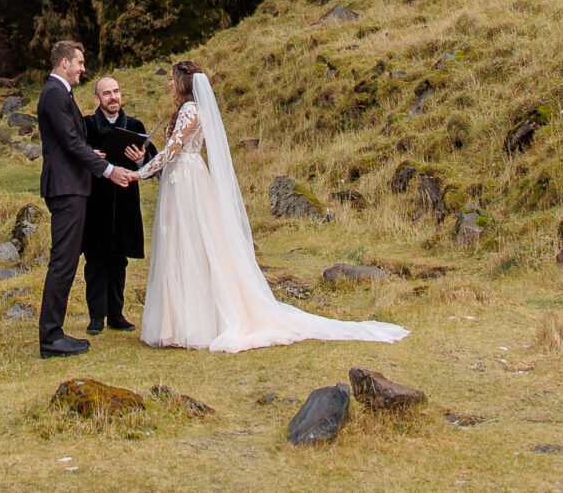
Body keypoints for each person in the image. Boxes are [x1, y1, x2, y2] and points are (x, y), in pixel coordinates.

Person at [133, 60, 407, 353]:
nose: (169, 84)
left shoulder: (190, 110)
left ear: (183, 83)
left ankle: (191, 323)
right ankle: (182, 321)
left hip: (186, 179)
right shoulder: (189, 110)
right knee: (184, 243)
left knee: (188, 243)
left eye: (172, 79)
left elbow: (174, 149)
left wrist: (140, 172)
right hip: (183, 178)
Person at [34, 39, 135, 358]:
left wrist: (89, 153)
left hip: (71, 185)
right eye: (79, 62)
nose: (83, 68)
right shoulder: (53, 93)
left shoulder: (60, 94)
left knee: (65, 261)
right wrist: (107, 170)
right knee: (62, 262)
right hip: (66, 187)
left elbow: (71, 142)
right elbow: (71, 143)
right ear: (64, 63)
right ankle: (50, 337)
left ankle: (55, 332)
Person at [82, 76, 150, 334]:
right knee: (96, 260)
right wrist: (91, 158)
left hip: (124, 201)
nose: (113, 97)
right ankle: (96, 317)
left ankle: (116, 315)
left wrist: (142, 159)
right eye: (107, 93)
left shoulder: (134, 125)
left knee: (119, 260)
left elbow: (150, 163)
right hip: (95, 202)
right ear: (97, 99)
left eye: (116, 91)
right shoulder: (87, 126)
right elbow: (77, 155)